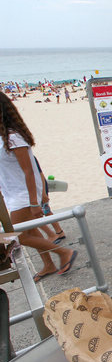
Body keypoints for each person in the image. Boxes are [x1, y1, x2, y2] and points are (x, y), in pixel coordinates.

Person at [0, 92, 77, 281]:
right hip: (12, 195)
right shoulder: (3, 137)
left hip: (24, 195)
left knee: (19, 236)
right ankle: (49, 264)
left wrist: (35, 203)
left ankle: (64, 252)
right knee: (31, 232)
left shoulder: (13, 137)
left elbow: (29, 171)